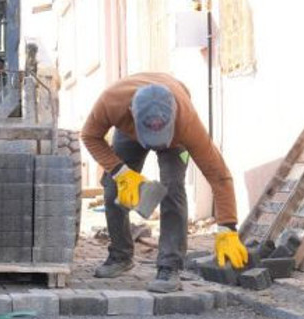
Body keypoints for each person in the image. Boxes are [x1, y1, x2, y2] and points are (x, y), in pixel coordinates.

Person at [80, 72, 248, 293]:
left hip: (175, 139)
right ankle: (121, 256)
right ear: (131, 112)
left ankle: (170, 266)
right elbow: (89, 136)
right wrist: (121, 172)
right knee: (113, 189)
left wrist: (228, 227)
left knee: (172, 189)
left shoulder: (187, 123)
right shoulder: (112, 103)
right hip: (129, 132)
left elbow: (218, 175)